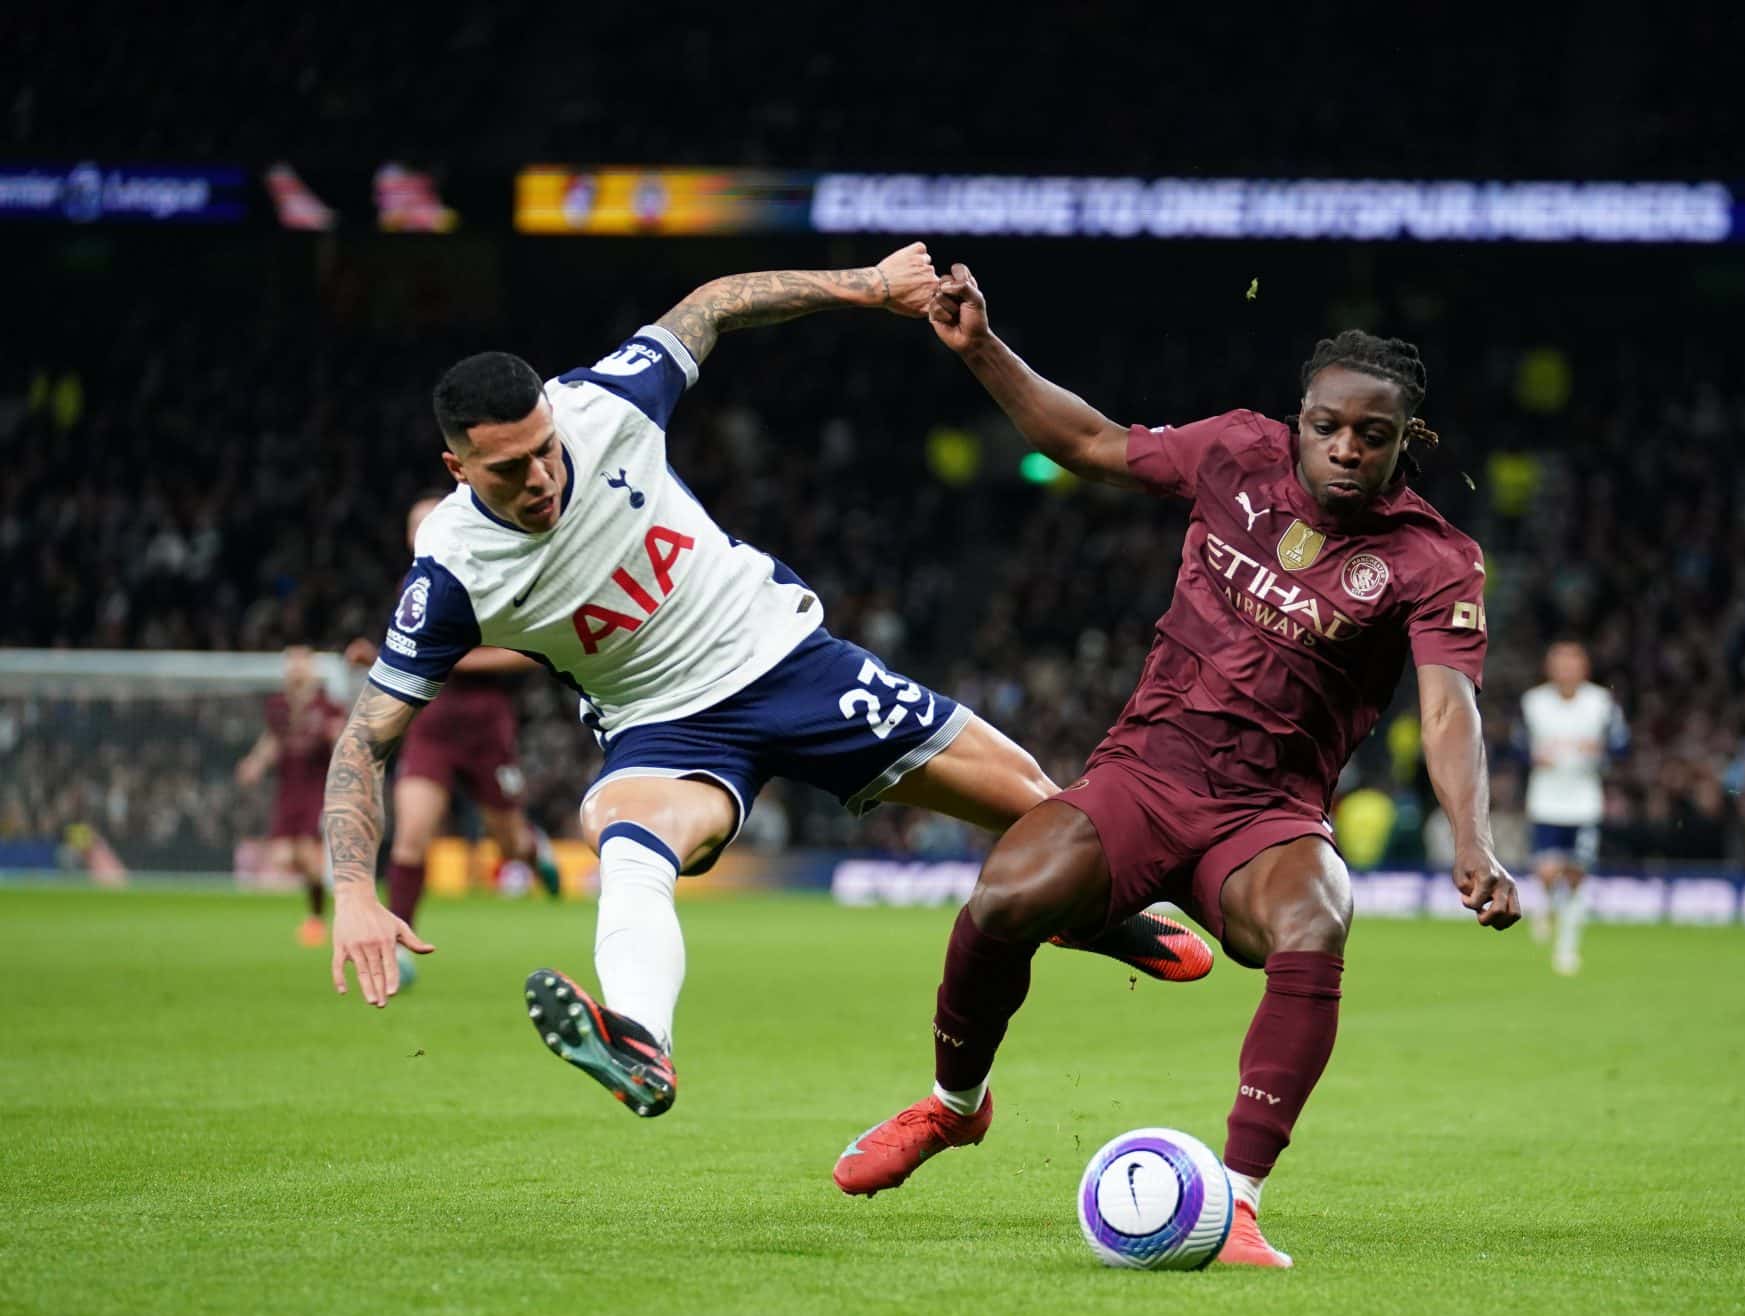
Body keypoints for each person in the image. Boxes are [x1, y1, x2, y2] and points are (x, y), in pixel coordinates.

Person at [320, 244, 1213, 1114]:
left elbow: (716, 303)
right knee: (624, 835)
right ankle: (639, 1041)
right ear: (456, 470)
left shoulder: (604, 404)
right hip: (663, 729)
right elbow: (367, 736)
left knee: (1042, 809)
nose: (542, 478)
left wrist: (869, 286)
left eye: (544, 450)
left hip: (788, 660)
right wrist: (354, 892)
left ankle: (1091, 915)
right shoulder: (452, 573)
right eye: (509, 470)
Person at [831, 264, 1519, 1268]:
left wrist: (1473, 842)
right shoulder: (1234, 452)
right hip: (1143, 774)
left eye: (1370, 436)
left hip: (1265, 816)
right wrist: (978, 345)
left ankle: (1234, 1202)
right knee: (1004, 898)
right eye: (1326, 425)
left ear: (1405, 441)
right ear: (1298, 418)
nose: (1343, 448)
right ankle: (951, 1107)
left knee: (1315, 916)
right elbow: (1084, 442)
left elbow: (1447, 708)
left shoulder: (1431, 559)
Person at [345, 494, 563, 992]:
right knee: (412, 835)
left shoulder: (491, 576)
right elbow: (405, 656)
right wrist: (374, 659)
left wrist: (452, 661)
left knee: (508, 842)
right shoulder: (415, 588)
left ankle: (535, 852)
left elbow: (530, 653)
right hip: (433, 726)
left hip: (487, 729)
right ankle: (399, 948)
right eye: (414, 526)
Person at [1516, 640, 1626, 975]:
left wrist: (1602, 753)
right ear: (1550, 668)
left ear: (1584, 668)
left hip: (1584, 802)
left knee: (1577, 875)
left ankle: (1567, 948)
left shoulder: (1601, 703)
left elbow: (1621, 744)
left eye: (1572, 663)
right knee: (1548, 872)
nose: (1566, 670)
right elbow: (1518, 745)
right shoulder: (1534, 702)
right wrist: (1532, 757)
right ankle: (1546, 903)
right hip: (1546, 801)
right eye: (1560, 663)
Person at [236, 646, 346, 946]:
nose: (295, 670)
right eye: (291, 665)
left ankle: (320, 917)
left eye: (301, 664)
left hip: (317, 789)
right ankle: (327, 903)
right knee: (285, 855)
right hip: (288, 788)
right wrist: (255, 764)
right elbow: (272, 739)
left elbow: (343, 739)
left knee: (309, 858)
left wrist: (337, 736)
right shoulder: (279, 707)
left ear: (311, 669)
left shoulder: (327, 706)